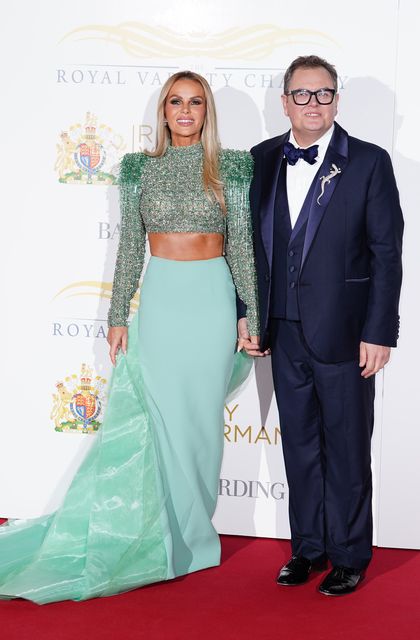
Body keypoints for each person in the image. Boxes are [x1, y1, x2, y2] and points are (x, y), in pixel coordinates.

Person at [0, 71, 258, 604]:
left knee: (201, 424)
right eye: (174, 102)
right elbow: (127, 248)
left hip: (211, 300)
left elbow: (242, 247)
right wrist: (118, 314)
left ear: (206, 111)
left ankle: (194, 536)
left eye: (195, 102)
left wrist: (250, 312)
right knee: (160, 422)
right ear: (162, 111)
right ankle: (163, 537)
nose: (185, 111)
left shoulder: (231, 165)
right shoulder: (139, 168)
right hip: (161, 302)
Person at [240, 55, 403, 595]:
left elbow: (387, 253)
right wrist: (249, 314)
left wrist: (380, 330)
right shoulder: (261, 159)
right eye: (302, 94)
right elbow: (248, 250)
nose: (314, 104)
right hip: (282, 333)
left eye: (324, 94)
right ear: (284, 101)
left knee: (349, 448)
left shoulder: (370, 162)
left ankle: (351, 554)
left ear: (337, 100)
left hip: (346, 334)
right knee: (301, 447)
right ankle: (307, 548)